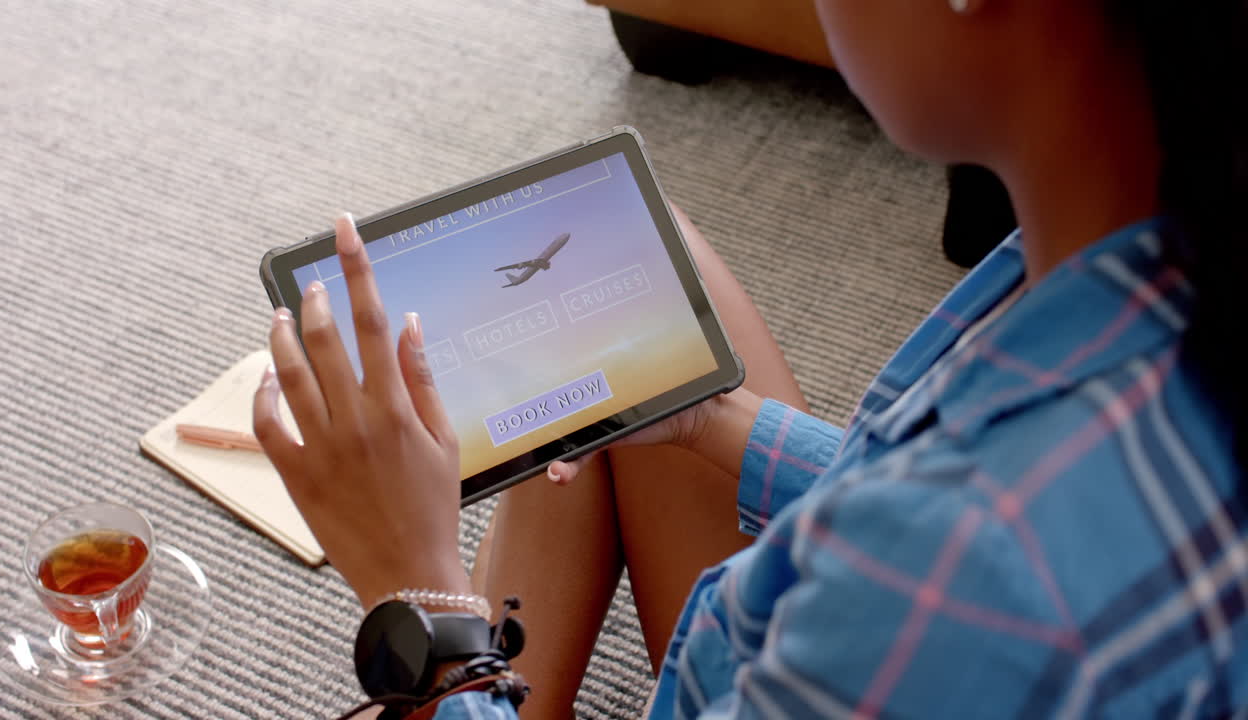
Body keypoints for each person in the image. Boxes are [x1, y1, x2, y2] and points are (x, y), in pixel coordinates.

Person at [251, 0, 1248, 716]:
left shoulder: (965, 572)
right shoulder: (1134, 247)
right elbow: (924, 498)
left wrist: (413, 585)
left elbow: (946, 560)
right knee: (644, 274)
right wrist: (710, 426)